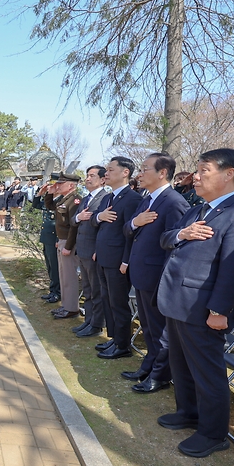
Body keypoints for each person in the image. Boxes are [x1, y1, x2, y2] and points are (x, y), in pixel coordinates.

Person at [156, 148, 234, 458]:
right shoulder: (197, 209)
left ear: (229, 174)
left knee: (207, 372)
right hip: (177, 300)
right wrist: (183, 234)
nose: (197, 177)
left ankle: (213, 433)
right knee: (181, 364)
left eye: (204, 171)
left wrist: (219, 310)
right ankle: (188, 412)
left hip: (203, 307)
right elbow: (166, 238)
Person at [121, 153, 190, 393]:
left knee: (161, 331)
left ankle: (160, 375)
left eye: (145, 169)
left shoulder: (174, 202)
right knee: (148, 327)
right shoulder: (147, 199)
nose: (140, 173)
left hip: (158, 277)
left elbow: (176, 245)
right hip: (141, 274)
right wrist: (135, 222)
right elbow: (128, 229)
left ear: (162, 173)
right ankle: (148, 366)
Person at [91, 156, 142, 359]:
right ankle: (114, 339)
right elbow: (97, 222)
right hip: (103, 256)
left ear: (125, 172)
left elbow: (131, 233)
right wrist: (98, 216)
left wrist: (126, 260)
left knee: (119, 303)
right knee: (107, 300)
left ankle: (123, 345)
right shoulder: (108, 198)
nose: (106, 174)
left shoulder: (133, 199)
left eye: (111, 170)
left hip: (118, 260)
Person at [70, 166, 108, 336]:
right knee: (87, 289)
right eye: (87, 175)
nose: (88, 178)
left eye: (92, 176)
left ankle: (97, 325)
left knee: (96, 290)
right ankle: (88, 321)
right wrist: (79, 217)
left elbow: (105, 228)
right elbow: (73, 220)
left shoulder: (105, 198)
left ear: (102, 179)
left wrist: (99, 250)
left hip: (93, 251)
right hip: (82, 250)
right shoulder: (85, 199)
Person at [48, 170, 83, 319]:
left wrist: (68, 246)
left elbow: (73, 226)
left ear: (70, 185)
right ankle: (66, 305)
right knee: (63, 275)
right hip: (62, 241)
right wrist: (49, 193)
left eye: (61, 184)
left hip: (69, 243)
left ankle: (72, 309)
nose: (58, 185)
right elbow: (51, 207)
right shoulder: (64, 199)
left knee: (69, 276)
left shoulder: (75, 200)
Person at [33, 178, 61, 303]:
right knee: (50, 266)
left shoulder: (61, 201)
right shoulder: (49, 201)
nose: (48, 188)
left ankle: (57, 293)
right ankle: (52, 290)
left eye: (51, 186)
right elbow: (35, 205)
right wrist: (39, 193)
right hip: (46, 238)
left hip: (54, 238)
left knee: (55, 267)